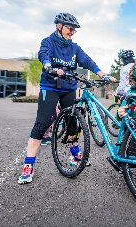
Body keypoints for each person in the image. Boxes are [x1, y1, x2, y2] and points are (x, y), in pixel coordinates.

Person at [18, 13, 116, 184]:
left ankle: (74, 156)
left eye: (74, 30)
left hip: (69, 87)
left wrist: (103, 74)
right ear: (59, 26)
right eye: (70, 29)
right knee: (42, 123)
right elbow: (44, 55)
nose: (72, 32)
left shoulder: (75, 48)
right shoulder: (48, 41)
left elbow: (87, 61)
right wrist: (49, 67)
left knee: (73, 122)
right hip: (50, 86)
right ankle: (28, 165)